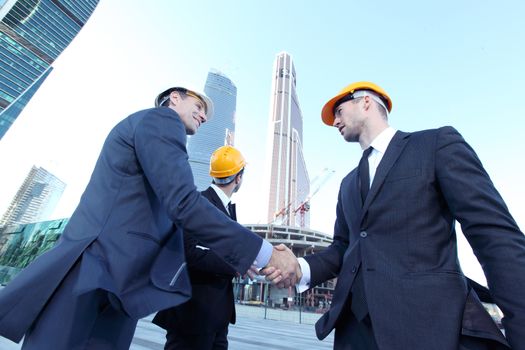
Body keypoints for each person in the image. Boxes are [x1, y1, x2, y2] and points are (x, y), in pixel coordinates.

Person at [0, 86, 300, 350]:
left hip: (114, 281)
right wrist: (265, 254)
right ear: (174, 98)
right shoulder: (161, 121)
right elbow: (183, 202)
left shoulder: (152, 133)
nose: (204, 116)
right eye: (198, 107)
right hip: (95, 273)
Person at [263, 81, 525, 349]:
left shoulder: (435, 145)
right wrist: (300, 266)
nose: (335, 122)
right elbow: (344, 247)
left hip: (426, 329)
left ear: (365, 102)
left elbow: (493, 235)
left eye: (339, 111)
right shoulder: (348, 184)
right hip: (354, 333)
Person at [153, 145, 246, 350]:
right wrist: (236, 265)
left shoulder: (225, 208)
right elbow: (189, 251)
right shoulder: (199, 203)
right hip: (192, 317)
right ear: (238, 178)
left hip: (217, 318)